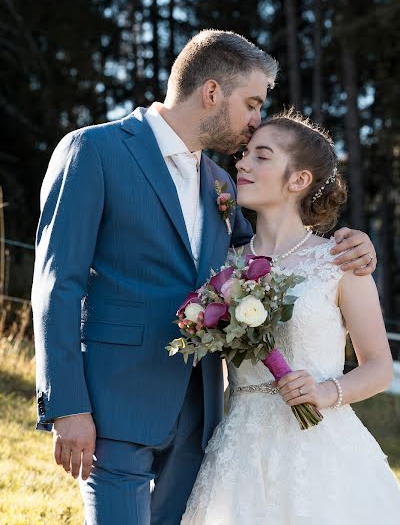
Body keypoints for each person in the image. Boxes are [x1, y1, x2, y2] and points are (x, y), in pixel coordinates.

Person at [32, 31, 377, 525]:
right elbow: (56, 284)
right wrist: (66, 405)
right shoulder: (95, 150)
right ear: (212, 92)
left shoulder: (220, 183)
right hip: (115, 405)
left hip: (202, 419)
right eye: (253, 103)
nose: (258, 120)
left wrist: (355, 247)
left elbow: (267, 255)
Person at [181, 110, 400, 525]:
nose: (242, 163)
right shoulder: (223, 267)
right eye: (244, 154)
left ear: (298, 180)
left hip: (321, 447)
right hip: (238, 450)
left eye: (261, 157)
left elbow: (378, 367)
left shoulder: (339, 261)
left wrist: (325, 391)